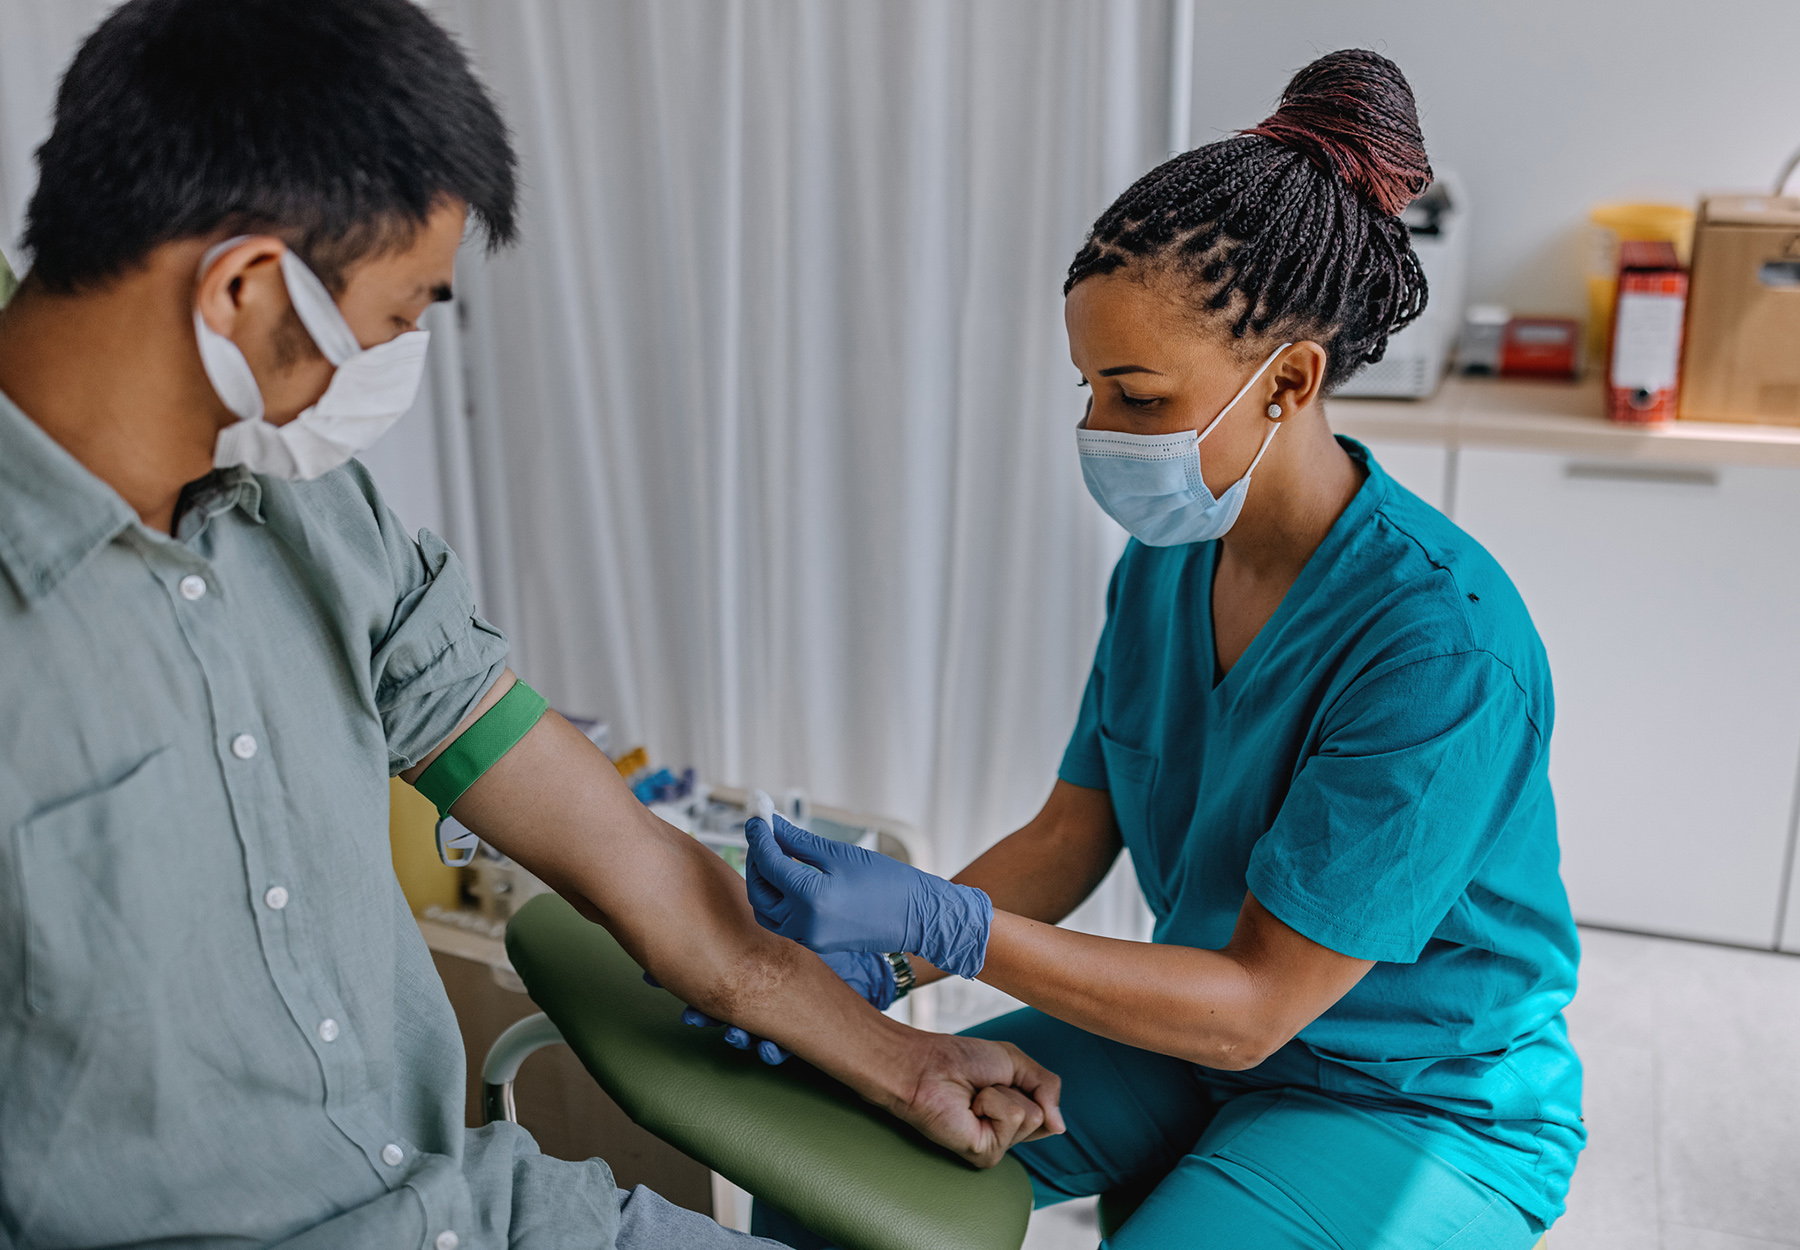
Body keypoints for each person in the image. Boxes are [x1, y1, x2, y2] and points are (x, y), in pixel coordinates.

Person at [0, 2, 1062, 1246]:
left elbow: (642, 876)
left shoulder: (319, 520)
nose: (392, 363)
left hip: (478, 1213)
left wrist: (903, 1059)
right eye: (398, 318)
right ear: (242, 287)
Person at [739, 51, 1584, 1250]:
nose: (1100, 431)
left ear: (1288, 381)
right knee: (832, 1152)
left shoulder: (1438, 645)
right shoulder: (1172, 558)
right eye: (1087, 389)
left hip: (1410, 1096)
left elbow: (1254, 1008)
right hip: (1194, 1030)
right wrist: (873, 968)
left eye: (1137, 397)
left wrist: (948, 924)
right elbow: (1070, 833)